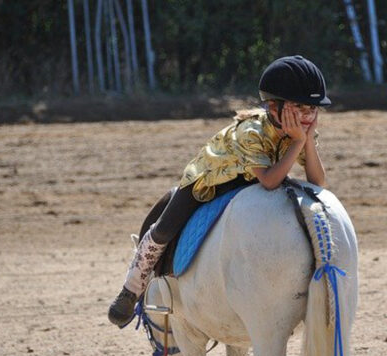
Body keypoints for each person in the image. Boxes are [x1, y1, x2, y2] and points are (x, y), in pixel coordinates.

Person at [108, 55, 331, 326]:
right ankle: (131, 289)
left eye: (313, 108)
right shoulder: (251, 131)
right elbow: (270, 181)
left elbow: (317, 182)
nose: (308, 116)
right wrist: (298, 141)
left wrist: (305, 140)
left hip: (249, 180)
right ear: (274, 107)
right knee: (164, 229)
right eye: (299, 107)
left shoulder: (301, 129)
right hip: (208, 179)